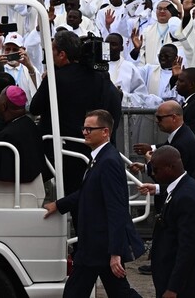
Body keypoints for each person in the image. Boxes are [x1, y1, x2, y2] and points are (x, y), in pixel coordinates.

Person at [43, 109, 145, 298]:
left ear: (105, 132)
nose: (84, 132)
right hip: (95, 245)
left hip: (99, 246)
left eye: (90, 129)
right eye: (84, 128)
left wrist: (115, 253)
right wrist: (59, 204)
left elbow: (117, 208)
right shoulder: (100, 158)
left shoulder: (108, 161)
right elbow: (88, 192)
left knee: (84, 292)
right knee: (116, 292)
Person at [31, 29, 122, 193]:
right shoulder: (100, 78)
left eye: (52, 50)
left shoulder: (56, 78)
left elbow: (34, 107)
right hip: (91, 147)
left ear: (61, 55)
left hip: (62, 149)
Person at [147, 146, 195, 298]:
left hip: (188, 286)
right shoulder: (181, 188)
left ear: (170, 167)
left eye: (156, 169)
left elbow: (188, 247)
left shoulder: (186, 196)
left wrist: (174, 287)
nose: (153, 174)